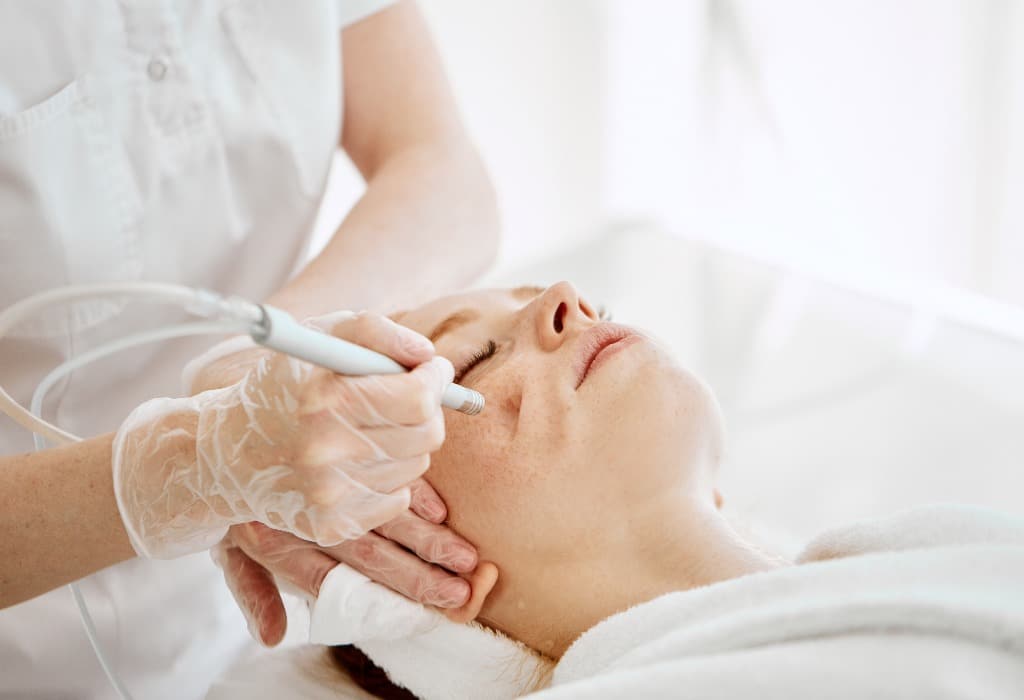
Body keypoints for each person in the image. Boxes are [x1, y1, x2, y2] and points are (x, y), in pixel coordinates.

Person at [0, 2, 498, 698]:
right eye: (488, 355)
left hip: (238, 642)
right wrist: (187, 467)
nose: (571, 307)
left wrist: (259, 361)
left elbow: (442, 171)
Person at [208, 281, 1024, 699]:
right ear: (410, 571)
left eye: (542, 295)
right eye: (472, 361)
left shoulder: (938, 547)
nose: (568, 298)